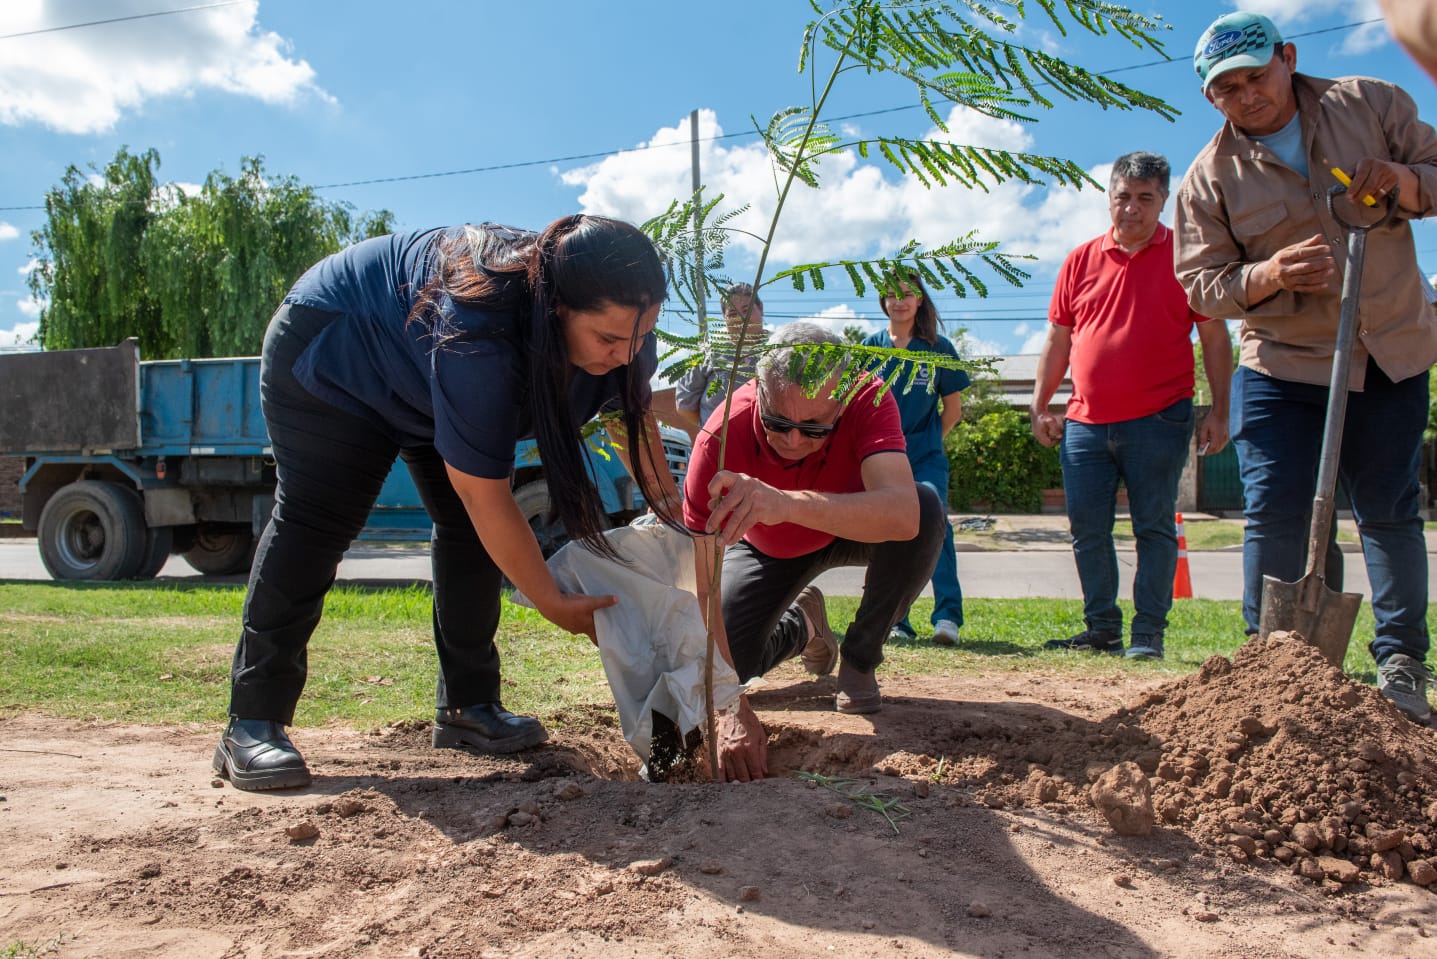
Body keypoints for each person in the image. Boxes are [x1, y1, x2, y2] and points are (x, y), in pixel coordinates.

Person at [213, 216, 685, 790]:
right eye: (608, 340)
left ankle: (469, 707)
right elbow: (483, 493)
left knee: (466, 532)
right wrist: (549, 600)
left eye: (638, 338)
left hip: (420, 372)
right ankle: (253, 721)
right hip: (340, 350)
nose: (625, 353)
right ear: (555, 309)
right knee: (318, 521)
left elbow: (628, 421)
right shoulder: (480, 333)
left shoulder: (626, 332)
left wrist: (673, 510)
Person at [1174, 11, 1437, 724]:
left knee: (1387, 512)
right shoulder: (1207, 179)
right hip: (1282, 368)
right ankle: (1272, 662)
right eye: (1225, 88)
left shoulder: (1371, 104)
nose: (1245, 95)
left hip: (1388, 349)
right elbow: (1200, 284)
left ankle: (1401, 663)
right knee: (1274, 509)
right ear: (1210, 98)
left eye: (1255, 76)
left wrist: (1403, 183)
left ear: (1287, 58)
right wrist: (1266, 274)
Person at [683, 322, 947, 782]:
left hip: (847, 527)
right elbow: (701, 582)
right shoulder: (719, 437)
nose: (792, 442)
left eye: (814, 429)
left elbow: (903, 515)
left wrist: (783, 503)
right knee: (725, 671)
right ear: (759, 394)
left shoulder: (868, 397)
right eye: (778, 424)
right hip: (769, 551)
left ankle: (861, 659)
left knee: (925, 508)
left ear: (842, 403)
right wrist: (729, 707)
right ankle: (805, 624)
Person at [1034, 151, 1232, 661]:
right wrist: (1040, 404)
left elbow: (1214, 339)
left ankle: (1148, 634)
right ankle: (1101, 628)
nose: (1132, 209)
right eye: (1123, 196)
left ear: (1164, 200)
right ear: (1110, 197)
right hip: (1084, 422)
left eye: (1146, 198)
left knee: (1154, 527)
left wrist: (1221, 410)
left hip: (1160, 418)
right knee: (1087, 530)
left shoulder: (1188, 256)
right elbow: (1058, 341)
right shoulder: (1080, 259)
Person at [862, 271, 970, 646]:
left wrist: (927, 443)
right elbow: (859, 407)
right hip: (882, 460)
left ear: (920, 300)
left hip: (926, 459)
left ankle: (947, 617)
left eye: (907, 294)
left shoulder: (939, 348)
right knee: (892, 531)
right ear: (882, 301)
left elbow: (952, 409)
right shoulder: (870, 348)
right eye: (891, 295)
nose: (899, 301)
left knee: (935, 525)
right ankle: (897, 621)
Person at [673, 283, 766, 431]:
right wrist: (715, 430)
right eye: (733, 314)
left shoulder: (780, 348)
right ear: (724, 317)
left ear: (760, 308)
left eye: (746, 311)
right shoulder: (708, 353)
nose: (741, 319)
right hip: (719, 449)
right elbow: (685, 406)